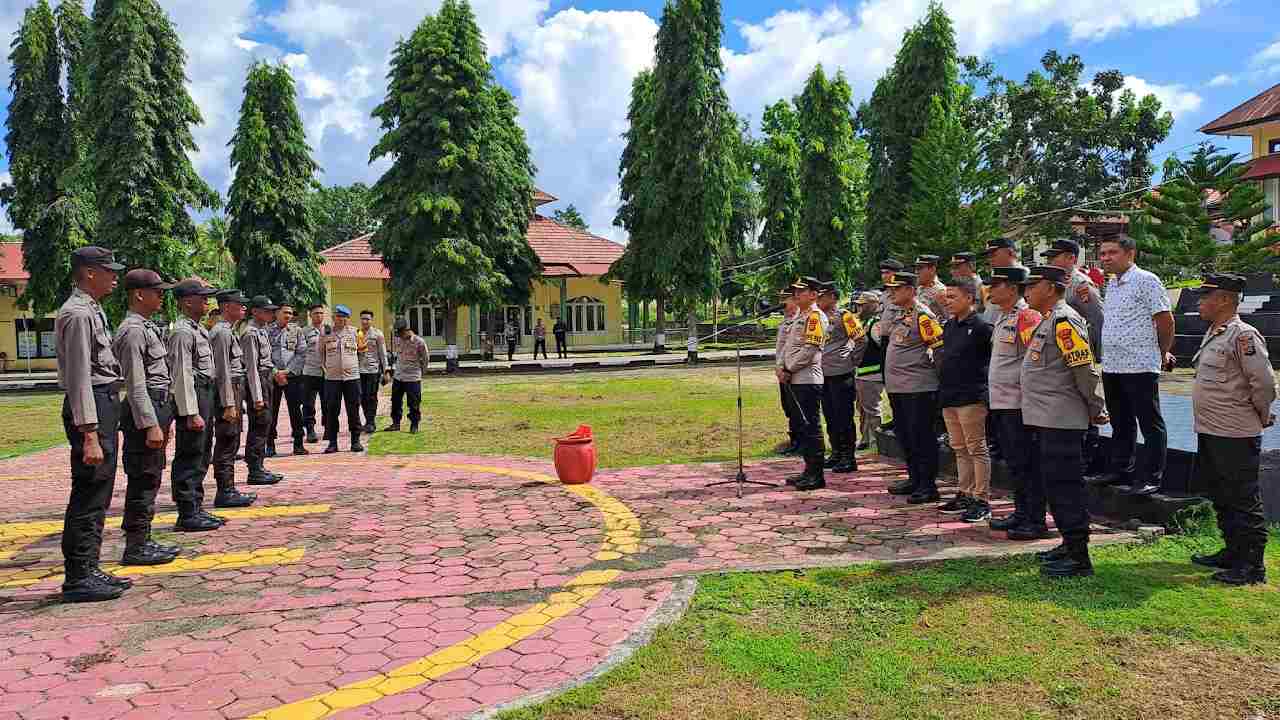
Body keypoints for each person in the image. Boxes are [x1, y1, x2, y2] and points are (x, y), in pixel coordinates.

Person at [1188, 274, 1276, 585]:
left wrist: (1262, 415)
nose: (1199, 301)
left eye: (1206, 296)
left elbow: (1264, 384)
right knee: (1221, 493)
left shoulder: (1244, 336)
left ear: (1224, 299)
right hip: (1212, 429)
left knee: (1242, 497)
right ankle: (1232, 550)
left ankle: (1252, 565)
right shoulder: (1216, 332)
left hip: (1235, 432)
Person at [1021, 266, 1107, 578]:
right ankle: (1068, 543)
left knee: (1066, 487)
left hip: (1063, 420)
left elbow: (1084, 370)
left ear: (1049, 288)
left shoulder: (1064, 320)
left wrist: (1096, 407)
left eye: (1033, 286)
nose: (1026, 291)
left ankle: (1079, 556)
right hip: (1047, 419)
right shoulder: (1048, 319)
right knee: (1054, 487)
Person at [55, 247, 127, 602]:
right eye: (108, 270)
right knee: (88, 493)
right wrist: (89, 434)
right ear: (88, 273)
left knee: (98, 494)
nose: (115, 277)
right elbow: (79, 377)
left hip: (103, 404)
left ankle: (90, 567)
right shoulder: (77, 314)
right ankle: (78, 577)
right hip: (92, 408)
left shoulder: (92, 311)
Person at [1087, 235, 1174, 496]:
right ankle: (1120, 469)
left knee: (1150, 423)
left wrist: (1163, 352)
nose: (1105, 259)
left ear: (1130, 254)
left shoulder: (1146, 280)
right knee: (1121, 422)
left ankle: (1151, 477)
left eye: (1111, 253)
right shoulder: (1112, 284)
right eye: (1102, 254)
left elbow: (1165, 320)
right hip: (1113, 365)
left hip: (1140, 363)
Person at [113, 270, 181, 567]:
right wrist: (150, 422)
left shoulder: (146, 327)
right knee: (143, 476)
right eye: (157, 291)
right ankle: (136, 546)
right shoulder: (133, 330)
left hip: (156, 404)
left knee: (152, 474)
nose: (161, 295)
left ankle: (144, 539)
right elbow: (135, 383)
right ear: (139, 294)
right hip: (146, 407)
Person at [984, 267, 1049, 540]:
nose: (990, 289)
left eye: (996, 284)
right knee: (1014, 463)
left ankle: (1035, 519)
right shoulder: (1003, 317)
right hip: (1001, 403)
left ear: (1012, 288)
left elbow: (1033, 361)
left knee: (1027, 464)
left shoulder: (1027, 317)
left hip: (1019, 404)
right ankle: (1021, 513)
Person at [168, 278, 229, 532]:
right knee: (190, 454)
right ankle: (187, 512)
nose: (207, 301)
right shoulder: (182, 331)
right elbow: (181, 374)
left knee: (202, 452)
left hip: (205, 392)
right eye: (202, 297)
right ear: (186, 301)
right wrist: (190, 412)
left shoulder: (198, 329)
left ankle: (196, 506)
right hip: (193, 396)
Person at [1045, 238, 1107, 474]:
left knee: (1084, 401)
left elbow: (1097, 319)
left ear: (1071, 258)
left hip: (1079, 353)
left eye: (1056, 256)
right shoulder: (1057, 282)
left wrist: (1095, 354)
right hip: (1058, 355)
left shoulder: (1081, 285)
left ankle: (1089, 457)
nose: (1051, 261)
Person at [883, 271, 945, 504]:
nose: (892, 293)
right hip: (899, 387)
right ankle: (915, 478)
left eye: (897, 289)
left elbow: (939, 349)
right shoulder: (904, 314)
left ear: (910, 290)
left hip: (918, 388)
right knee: (906, 436)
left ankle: (928, 485)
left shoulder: (923, 315)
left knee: (922, 437)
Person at [935, 278, 994, 522]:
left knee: (976, 448)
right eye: (947, 297)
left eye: (953, 297)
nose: (948, 302)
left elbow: (990, 363)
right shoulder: (949, 326)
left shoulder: (981, 327)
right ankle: (965, 492)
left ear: (969, 299)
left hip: (971, 396)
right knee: (959, 448)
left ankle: (982, 499)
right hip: (950, 395)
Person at [210, 291, 263, 507]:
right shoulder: (221, 333)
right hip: (228, 389)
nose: (243, 308)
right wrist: (228, 403)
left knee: (231, 441)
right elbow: (222, 370)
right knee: (227, 440)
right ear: (226, 307)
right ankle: (225, 491)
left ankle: (229, 488)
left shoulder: (229, 331)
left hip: (234, 387)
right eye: (238, 304)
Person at [783, 277, 828, 491]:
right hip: (795, 378)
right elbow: (789, 346)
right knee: (802, 426)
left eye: (801, 291)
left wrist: (789, 368)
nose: (796, 294)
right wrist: (782, 366)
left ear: (813, 294)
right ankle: (808, 469)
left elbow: (810, 350)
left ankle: (816, 475)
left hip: (807, 379)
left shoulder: (815, 317)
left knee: (811, 426)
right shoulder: (801, 316)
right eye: (795, 291)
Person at [817, 281, 865, 474]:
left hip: (841, 373)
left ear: (833, 297)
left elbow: (861, 339)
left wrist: (851, 360)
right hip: (823, 374)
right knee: (829, 415)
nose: (819, 299)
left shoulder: (844, 316)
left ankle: (848, 456)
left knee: (843, 416)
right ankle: (836, 452)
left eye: (823, 296)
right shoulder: (817, 317)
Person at [243, 296, 284, 485]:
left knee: (265, 424)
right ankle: (254, 469)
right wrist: (257, 396)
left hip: (267, 379)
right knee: (259, 425)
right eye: (266, 310)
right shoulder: (250, 333)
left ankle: (259, 466)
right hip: (258, 381)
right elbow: (251, 366)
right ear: (255, 312)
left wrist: (275, 373)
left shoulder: (262, 331)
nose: (270, 313)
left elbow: (266, 360)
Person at [320, 304, 363, 453]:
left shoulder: (356, 332)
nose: (341, 320)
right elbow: (321, 353)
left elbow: (362, 352)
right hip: (332, 378)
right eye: (338, 317)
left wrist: (356, 368)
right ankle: (332, 442)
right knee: (332, 410)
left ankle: (355, 441)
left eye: (344, 317)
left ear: (348, 319)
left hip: (352, 378)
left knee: (354, 409)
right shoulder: (326, 333)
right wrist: (326, 369)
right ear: (333, 318)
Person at [268, 303, 308, 456]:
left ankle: (298, 444)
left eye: (290, 313)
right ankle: (270, 445)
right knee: (272, 411)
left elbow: (302, 353)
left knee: (295, 410)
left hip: (292, 376)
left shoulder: (296, 331)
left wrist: (287, 371)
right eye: (285, 312)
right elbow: (264, 354)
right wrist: (275, 372)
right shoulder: (266, 330)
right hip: (273, 377)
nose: (288, 316)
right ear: (276, 313)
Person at [853, 291, 884, 451]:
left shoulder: (876, 323)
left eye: (862, 304)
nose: (859, 307)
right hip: (862, 372)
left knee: (872, 409)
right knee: (863, 409)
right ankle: (865, 438)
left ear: (872, 305)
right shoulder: (863, 322)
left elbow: (882, 347)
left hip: (872, 373)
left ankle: (876, 441)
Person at [388, 318, 430, 433]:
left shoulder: (419, 342)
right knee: (395, 401)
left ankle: (414, 425)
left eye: (400, 333)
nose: (399, 335)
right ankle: (396, 423)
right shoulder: (398, 340)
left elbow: (426, 359)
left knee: (414, 403)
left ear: (406, 330)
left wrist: (422, 372)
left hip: (413, 377)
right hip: (399, 376)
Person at [774, 287, 802, 456]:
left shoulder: (799, 320)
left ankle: (802, 442)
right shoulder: (786, 322)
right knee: (789, 408)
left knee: (797, 408)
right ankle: (794, 440)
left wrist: (787, 368)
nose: (782, 303)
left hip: (793, 371)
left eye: (785, 299)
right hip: (782, 371)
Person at [357, 310, 390, 434]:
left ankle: (371, 422)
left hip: (372, 370)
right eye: (363, 319)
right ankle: (367, 420)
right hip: (359, 370)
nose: (365, 321)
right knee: (362, 397)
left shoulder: (377, 334)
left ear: (372, 320)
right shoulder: (357, 334)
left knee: (371, 396)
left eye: (367, 319)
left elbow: (383, 354)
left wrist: (386, 371)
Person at [300, 303, 328, 443]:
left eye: (321, 313)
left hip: (326, 373)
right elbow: (299, 352)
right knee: (308, 403)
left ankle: (328, 428)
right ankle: (310, 430)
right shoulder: (303, 331)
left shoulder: (329, 330)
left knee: (328, 402)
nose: (319, 316)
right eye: (316, 313)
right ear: (310, 315)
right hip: (309, 372)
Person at [914, 255, 949, 320]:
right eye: (916, 268)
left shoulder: (941, 291)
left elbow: (949, 320)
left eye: (920, 268)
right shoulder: (919, 288)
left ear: (932, 269)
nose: (916, 272)